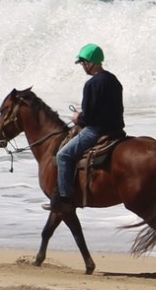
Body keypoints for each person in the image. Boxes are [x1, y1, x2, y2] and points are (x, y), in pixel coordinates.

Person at [52, 42, 125, 209]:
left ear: (91, 62)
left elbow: (89, 117)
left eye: (83, 62)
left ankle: (65, 199)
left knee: (63, 156)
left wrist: (78, 118)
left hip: (96, 131)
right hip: (117, 130)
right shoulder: (113, 80)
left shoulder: (92, 84)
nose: (83, 66)